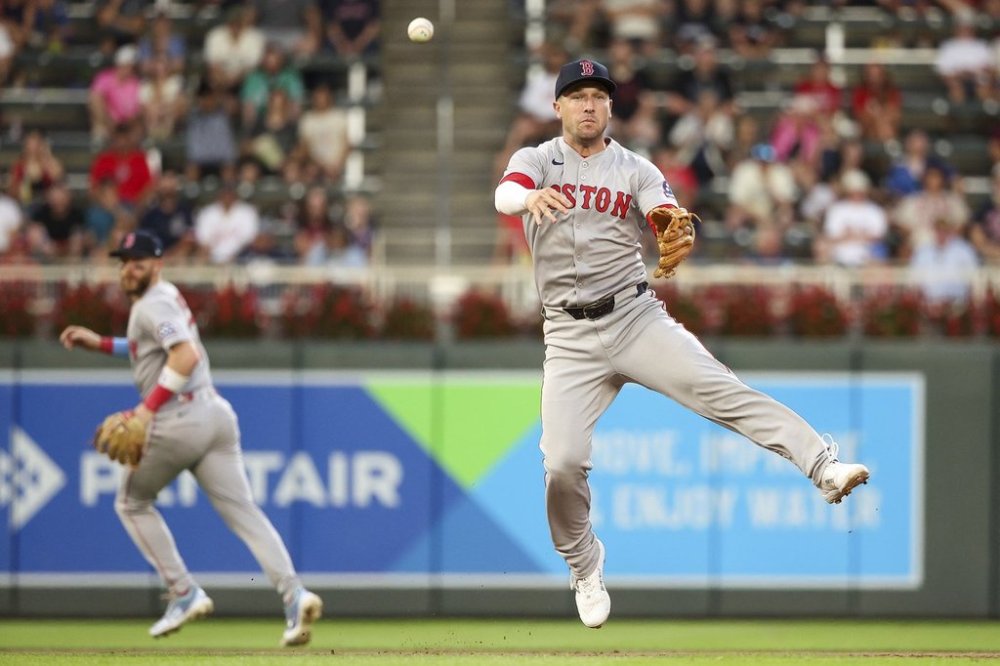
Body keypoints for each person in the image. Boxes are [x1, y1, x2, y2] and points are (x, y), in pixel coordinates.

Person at [493, 58, 870, 629]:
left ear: (610, 107)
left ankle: (822, 466)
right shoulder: (536, 161)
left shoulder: (635, 168)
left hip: (634, 317)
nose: (588, 105)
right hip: (568, 334)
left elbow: (663, 209)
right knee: (563, 463)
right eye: (576, 96)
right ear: (558, 107)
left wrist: (670, 220)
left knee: (722, 391)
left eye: (597, 95)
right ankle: (584, 563)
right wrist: (527, 201)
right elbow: (504, 195)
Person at [58, 230, 323, 645]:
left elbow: (185, 355)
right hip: (215, 415)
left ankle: (183, 592)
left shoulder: (153, 301)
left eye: (138, 261)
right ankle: (295, 596)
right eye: (124, 262)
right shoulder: (161, 300)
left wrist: (146, 410)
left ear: (158, 264)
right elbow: (149, 346)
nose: (129, 269)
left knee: (131, 502)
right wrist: (100, 343)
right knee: (245, 514)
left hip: (177, 416)